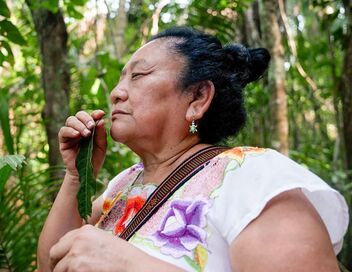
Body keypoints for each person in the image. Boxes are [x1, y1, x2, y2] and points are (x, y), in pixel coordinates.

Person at [37, 26, 348, 272]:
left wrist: (130, 264)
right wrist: (77, 177)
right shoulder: (121, 187)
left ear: (198, 97)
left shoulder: (252, 177)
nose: (117, 93)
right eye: (121, 79)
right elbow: (49, 264)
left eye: (139, 76)